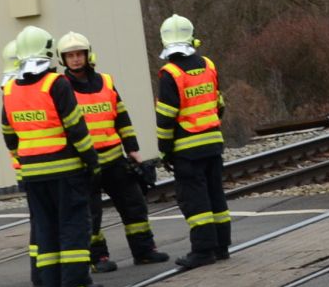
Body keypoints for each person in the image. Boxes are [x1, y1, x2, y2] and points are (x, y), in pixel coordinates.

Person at [0, 25, 101, 287]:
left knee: (44, 228)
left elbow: (9, 134)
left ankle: (52, 285)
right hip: (65, 170)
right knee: (73, 225)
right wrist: (92, 161)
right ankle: (76, 283)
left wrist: (24, 159)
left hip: (33, 173)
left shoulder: (9, 90)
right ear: (48, 50)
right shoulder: (56, 84)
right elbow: (75, 127)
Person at [58, 32, 170, 271]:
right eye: (70, 56)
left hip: (114, 159)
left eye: (79, 54)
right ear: (63, 59)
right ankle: (98, 258)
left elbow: (122, 118)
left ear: (88, 55)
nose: (76, 59)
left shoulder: (106, 82)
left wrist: (133, 150)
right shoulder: (61, 88)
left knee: (134, 204)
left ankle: (144, 251)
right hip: (83, 163)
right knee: (91, 213)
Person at [154, 14, 228, 271]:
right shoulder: (208, 65)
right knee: (216, 196)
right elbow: (219, 105)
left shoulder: (170, 74)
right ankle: (221, 246)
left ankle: (202, 250)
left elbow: (165, 119)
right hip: (213, 143)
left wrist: (164, 150)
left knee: (196, 202)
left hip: (187, 149)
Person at [0, 38, 40, 287]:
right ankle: (45, 274)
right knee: (48, 223)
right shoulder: (23, 90)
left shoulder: (10, 91)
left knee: (40, 222)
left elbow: (9, 135)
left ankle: (40, 274)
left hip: (25, 166)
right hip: (40, 165)